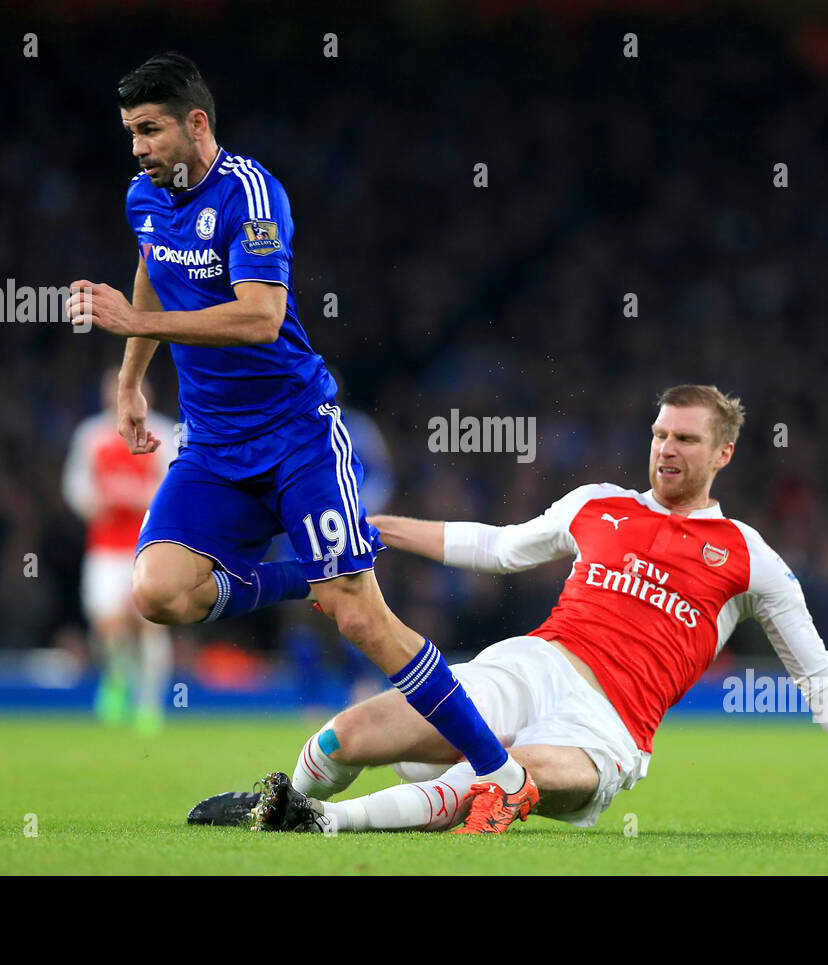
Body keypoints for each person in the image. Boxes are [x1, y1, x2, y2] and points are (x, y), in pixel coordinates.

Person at [65, 52, 532, 824]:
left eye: (150, 129)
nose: (139, 147)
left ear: (197, 123)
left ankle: (505, 773)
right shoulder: (143, 197)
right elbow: (151, 267)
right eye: (130, 133)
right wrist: (129, 380)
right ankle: (308, 573)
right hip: (213, 448)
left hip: (296, 435)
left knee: (361, 619)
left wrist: (135, 322)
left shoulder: (252, 193)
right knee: (158, 592)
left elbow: (261, 315)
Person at [192, 385, 828, 837]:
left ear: (723, 453)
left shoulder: (749, 556)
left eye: (686, 439)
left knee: (502, 780)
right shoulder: (599, 504)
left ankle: (323, 826)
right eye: (660, 433)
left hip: (608, 729)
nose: (666, 449)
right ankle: (282, 797)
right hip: (533, 664)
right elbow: (498, 547)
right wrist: (381, 527)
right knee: (350, 733)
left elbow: (821, 677)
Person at [62, 367, 176, 734]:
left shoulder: (164, 433)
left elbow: (175, 485)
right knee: (106, 622)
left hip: (149, 546)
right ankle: (117, 678)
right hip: (105, 547)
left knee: (150, 623)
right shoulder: (92, 435)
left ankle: (150, 703)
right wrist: (95, 500)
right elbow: (76, 486)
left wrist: (138, 497)